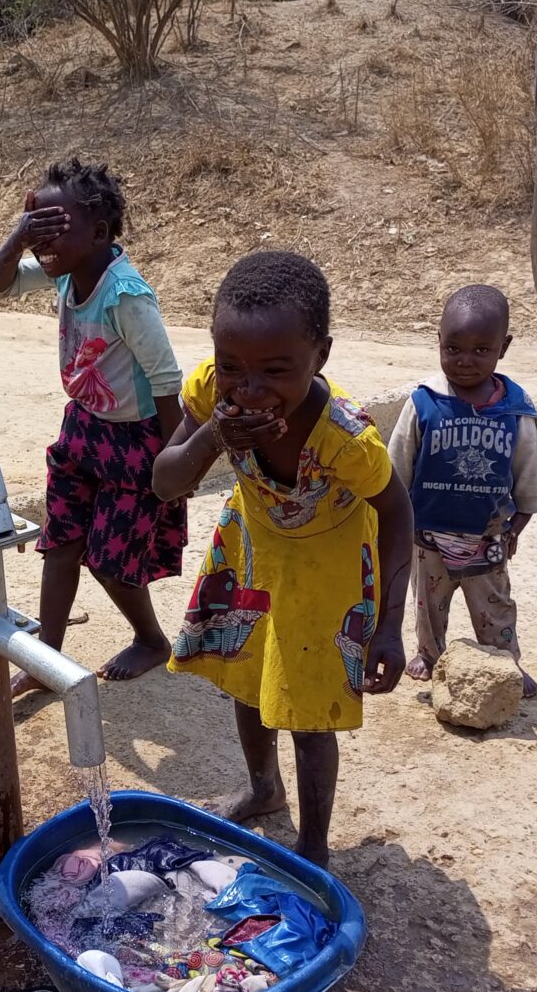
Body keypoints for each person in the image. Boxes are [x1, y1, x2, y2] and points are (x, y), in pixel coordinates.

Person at [153, 251, 413, 867]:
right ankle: (265, 788)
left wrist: (392, 624)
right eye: (233, 368)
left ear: (320, 355)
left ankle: (314, 848)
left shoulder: (344, 438)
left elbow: (399, 514)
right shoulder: (211, 394)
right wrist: (214, 434)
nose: (250, 388)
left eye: (276, 370)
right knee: (248, 681)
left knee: (308, 712)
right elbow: (165, 481)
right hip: (252, 549)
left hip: (326, 567)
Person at [0, 158, 187, 692]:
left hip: (136, 440)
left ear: (99, 233)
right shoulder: (67, 269)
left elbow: (166, 381)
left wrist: (174, 463)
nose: (43, 240)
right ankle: (45, 659)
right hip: (82, 428)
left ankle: (151, 639)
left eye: (55, 226)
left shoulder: (126, 296)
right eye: (37, 225)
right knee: (62, 541)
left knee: (112, 560)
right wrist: (20, 236)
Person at [387, 284, 537, 697]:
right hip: (428, 533)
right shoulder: (423, 402)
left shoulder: (515, 409)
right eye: (453, 348)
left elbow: (526, 469)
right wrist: (393, 519)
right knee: (428, 605)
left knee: (494, 606)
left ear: (503, 348)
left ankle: (506, 664)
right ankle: (430, 655)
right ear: (438, 342)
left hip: (487, 534)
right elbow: (397, 464)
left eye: (481, 350)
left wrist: (519, 522)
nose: (465, 361)